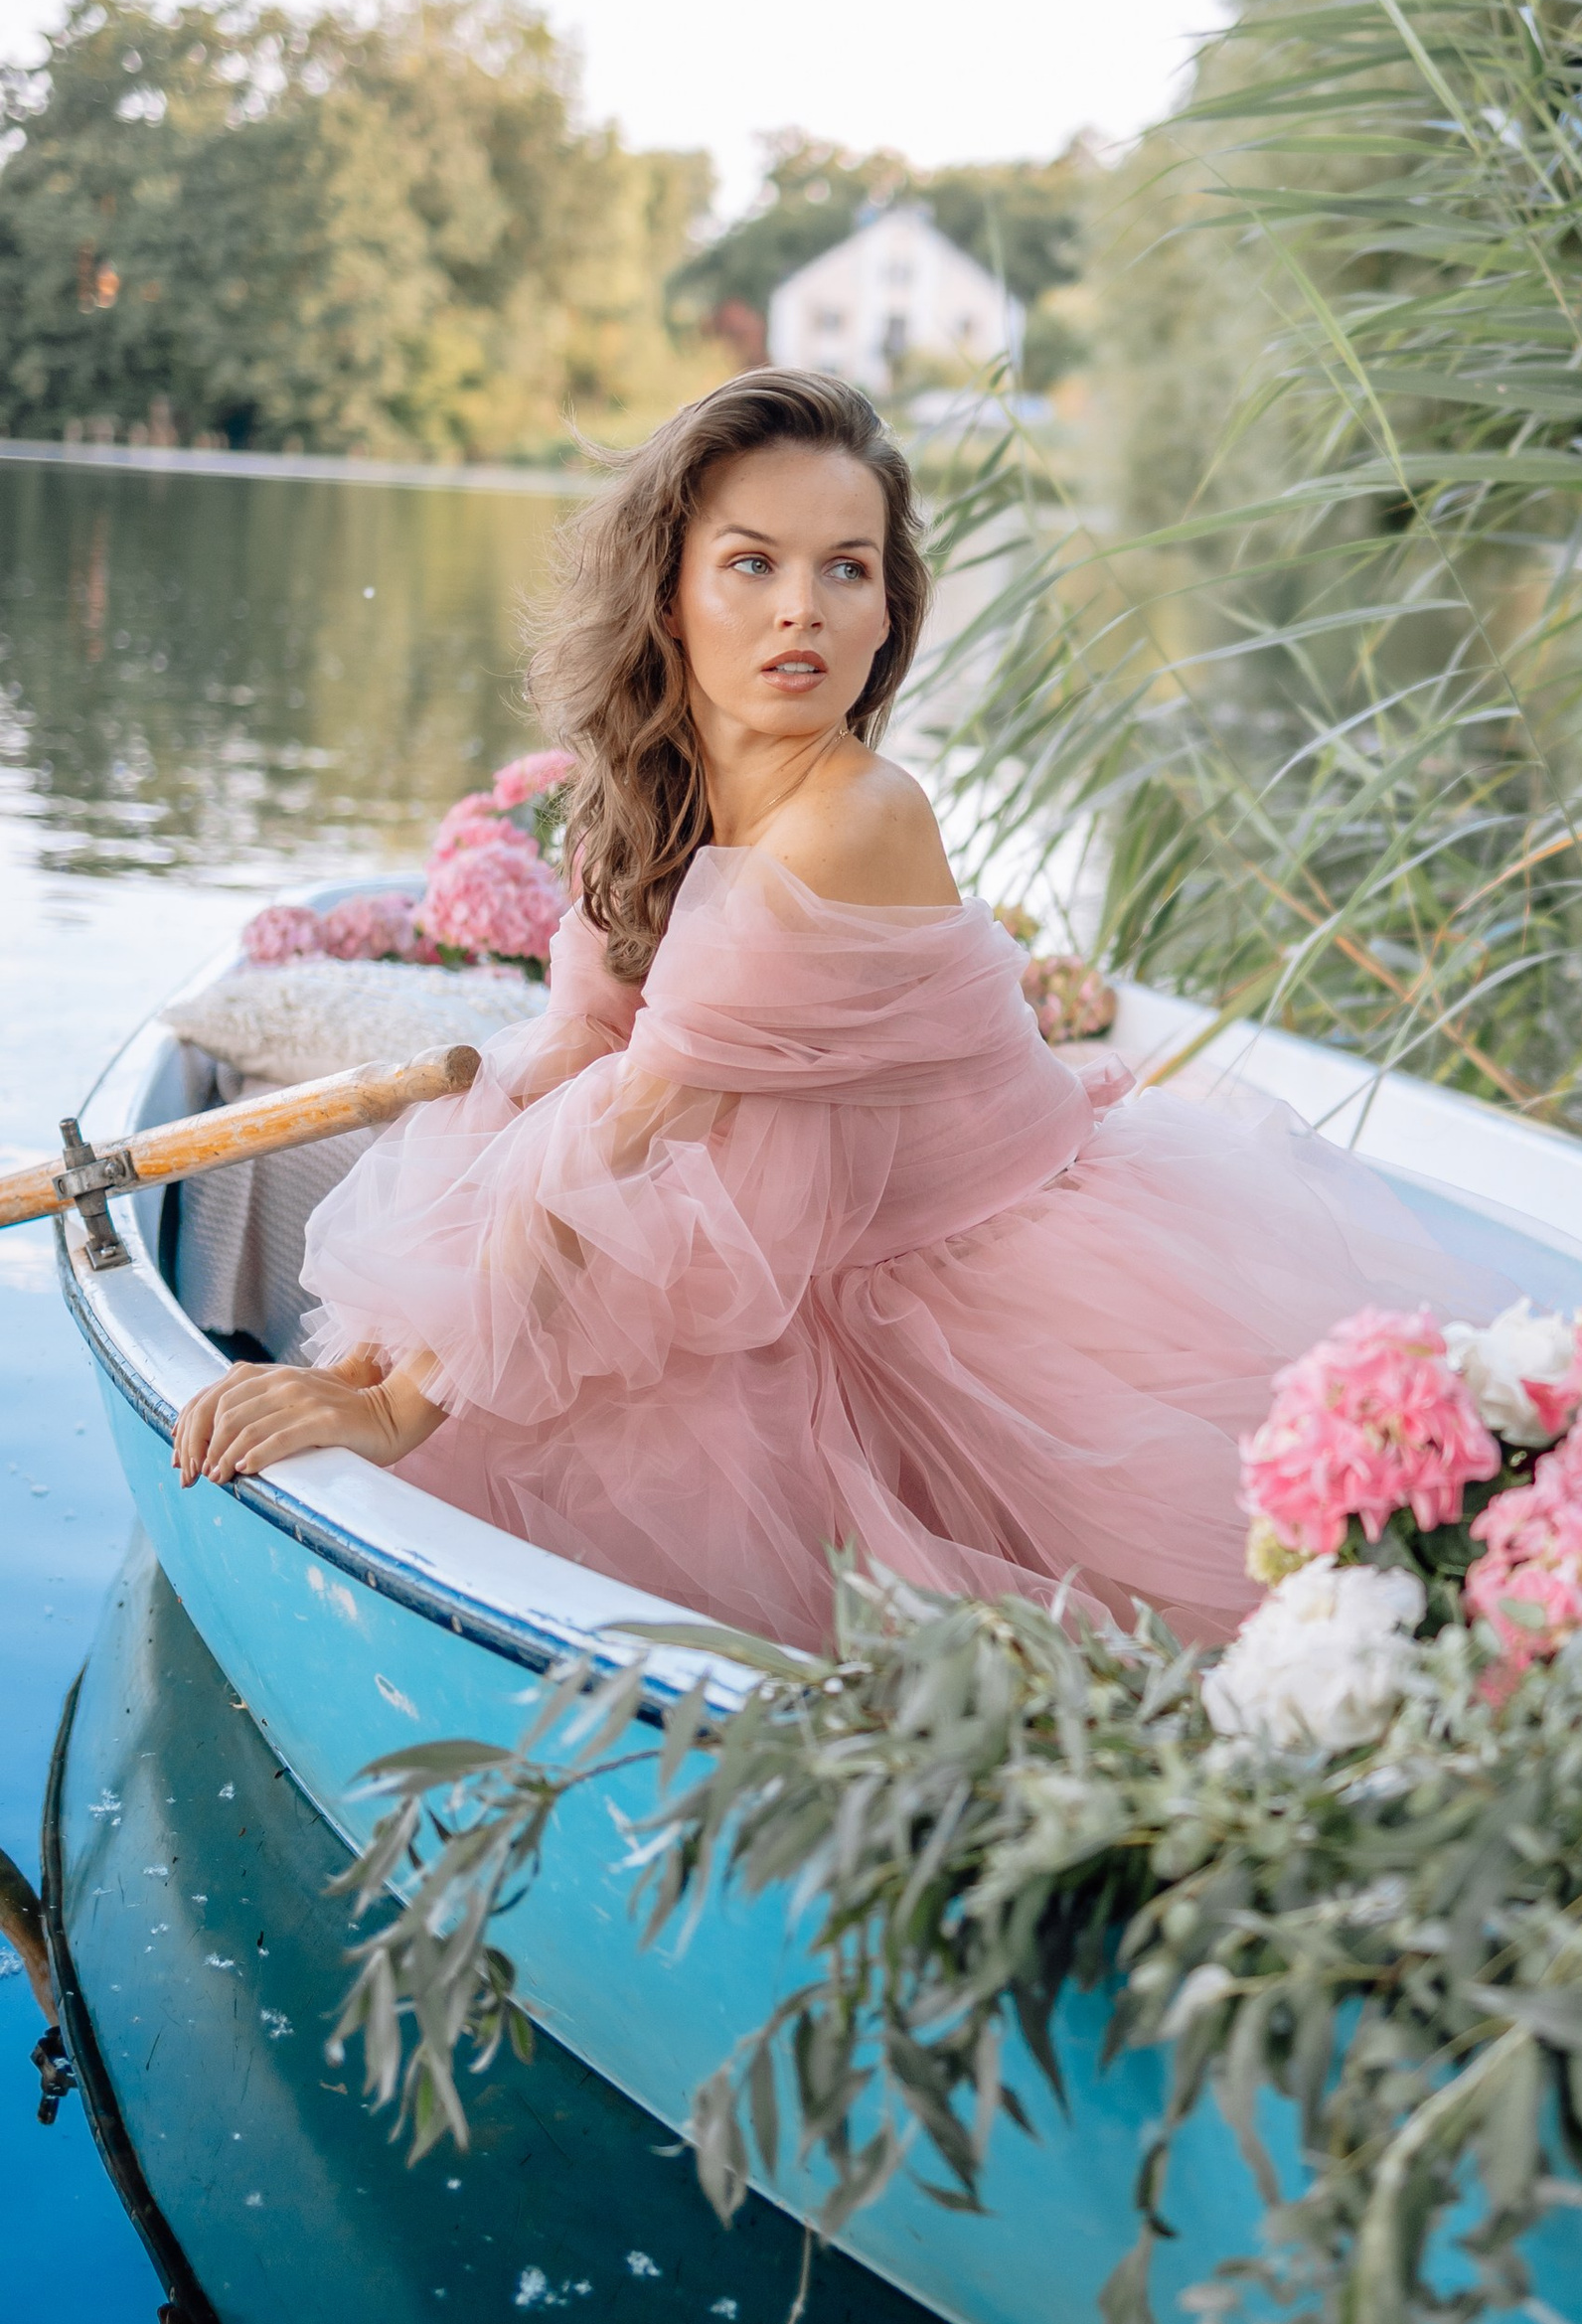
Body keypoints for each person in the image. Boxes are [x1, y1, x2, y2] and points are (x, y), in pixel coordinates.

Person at [171, 370, 1503, 1648]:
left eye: (844, 568)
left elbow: (634, 1121)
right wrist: (392, 1347)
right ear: (673, 594)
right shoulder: (636, 794)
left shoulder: (856, 819)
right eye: (751, 562)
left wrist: (407, 1408)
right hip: (797, 1267)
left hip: (982, 1292)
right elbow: (573, 1062)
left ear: (885, 617)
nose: (799, 610)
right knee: (521, 1383)